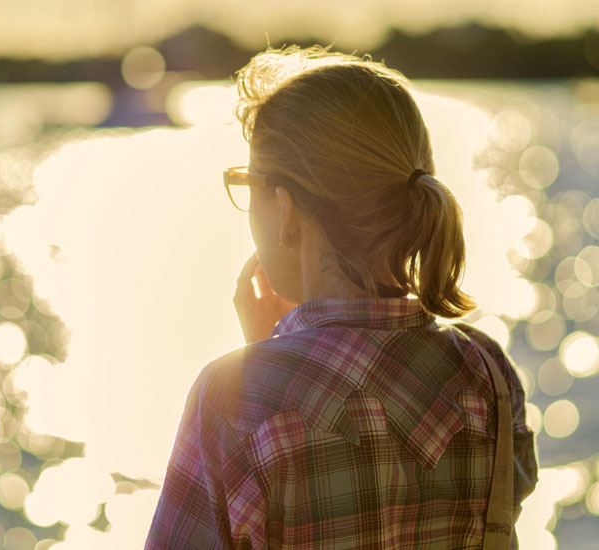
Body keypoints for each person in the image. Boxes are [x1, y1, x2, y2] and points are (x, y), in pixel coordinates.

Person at [144, 44, 538, 549]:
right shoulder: (489, 377)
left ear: (284, 209)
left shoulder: (230, 401)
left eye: (249, 184)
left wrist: (254, 370)